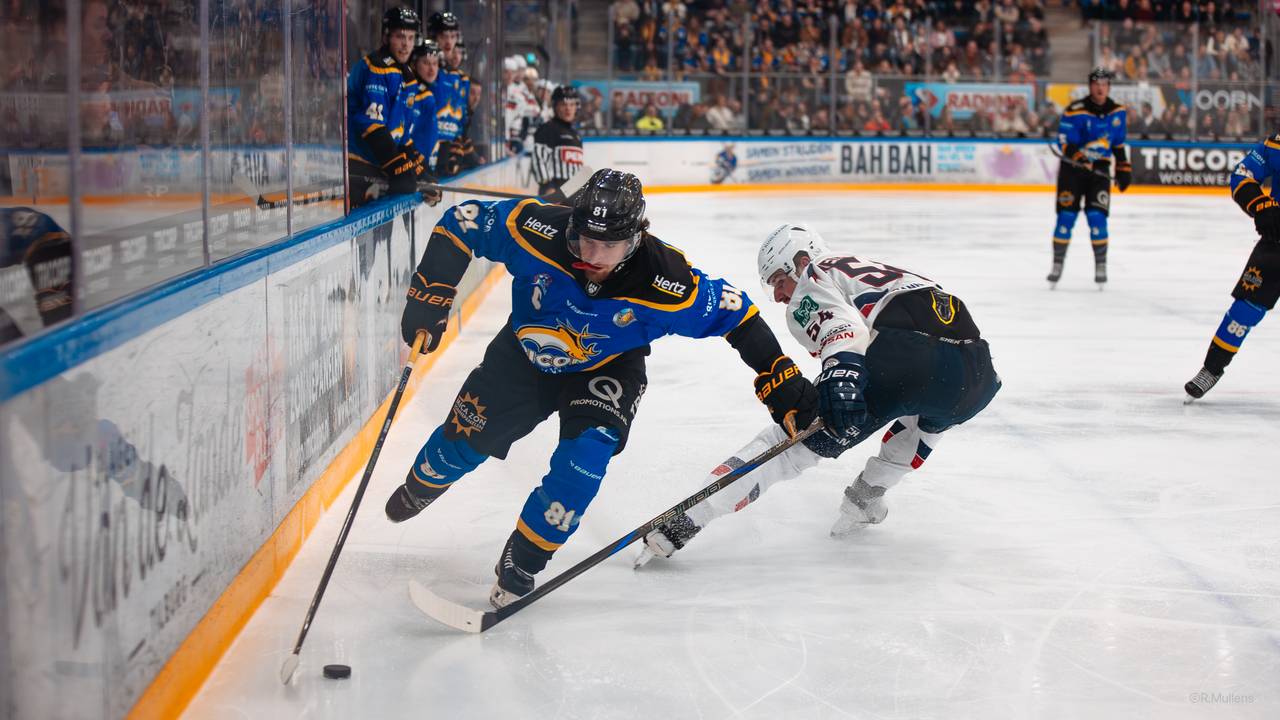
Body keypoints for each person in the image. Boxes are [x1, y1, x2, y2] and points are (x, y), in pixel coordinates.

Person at [386, 170, 819, 609]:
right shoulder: (540, 227)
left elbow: (739, 315)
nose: (591, 256)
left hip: (607, 369)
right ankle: (424, 481)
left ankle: (526, 558)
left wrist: (780, 378)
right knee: (458, 446)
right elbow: (463, 221)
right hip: (522, 356)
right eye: (583, 241)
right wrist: (431, 294)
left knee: (584, 461)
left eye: (607, 246)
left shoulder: (668, 280)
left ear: (634, 238)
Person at [638, 224, 1001, 562]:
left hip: (910, 359)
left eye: (779, 280)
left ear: (800, 259)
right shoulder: (889, 272)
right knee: (913, 425)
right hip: (977, 379)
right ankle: (863, 499)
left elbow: (841, 330)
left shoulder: (814, 271)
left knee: (790, 445)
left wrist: (842, 372)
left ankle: (683, 522)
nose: (779, 296)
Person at [1184, 133, 1280, 401]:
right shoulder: (1276, 145)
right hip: (1277, 243)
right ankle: (1211, 369)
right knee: (1244, 310)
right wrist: (1261, 205)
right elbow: (1243, 174)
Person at [1047, 67, 1131, 288]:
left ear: (1109, 87)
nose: (1100, 87)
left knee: (1097, 218)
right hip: (1072, 171)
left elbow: (1118, 143)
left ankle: (1100, 265)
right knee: (1066, 218)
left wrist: (1123, 167)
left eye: (1104, 84)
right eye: (1096, 83)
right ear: (1090, 86)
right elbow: (1065, 141)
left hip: (1099, 172)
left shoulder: (1118, 111)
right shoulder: (1075, 110)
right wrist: (1079, 158)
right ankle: (1057, 263)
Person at [346, 7, 427, 207]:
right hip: (359, 165)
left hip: (379, 164)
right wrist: (396, 165)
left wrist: (422, 173)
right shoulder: (377, 67)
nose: (406, 44)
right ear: (386, 37)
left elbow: (401, 135)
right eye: (400, 36)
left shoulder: (407, 76)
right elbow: (372, 125)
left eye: (410, 37)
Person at [1, 207, 74, 344]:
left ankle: (17, 349)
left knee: (58, 319)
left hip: (49, 244)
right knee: (58, 314)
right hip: (53, 240)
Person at [531, 85, 584, 202]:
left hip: (573, 195)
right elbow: (539, 159)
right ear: (555, 106)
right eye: (563, 104)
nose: (568, 109)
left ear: (576, 107)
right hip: (554, 194)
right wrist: (548, 187)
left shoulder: (576, 135)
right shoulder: (548, 128)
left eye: (572, 105)